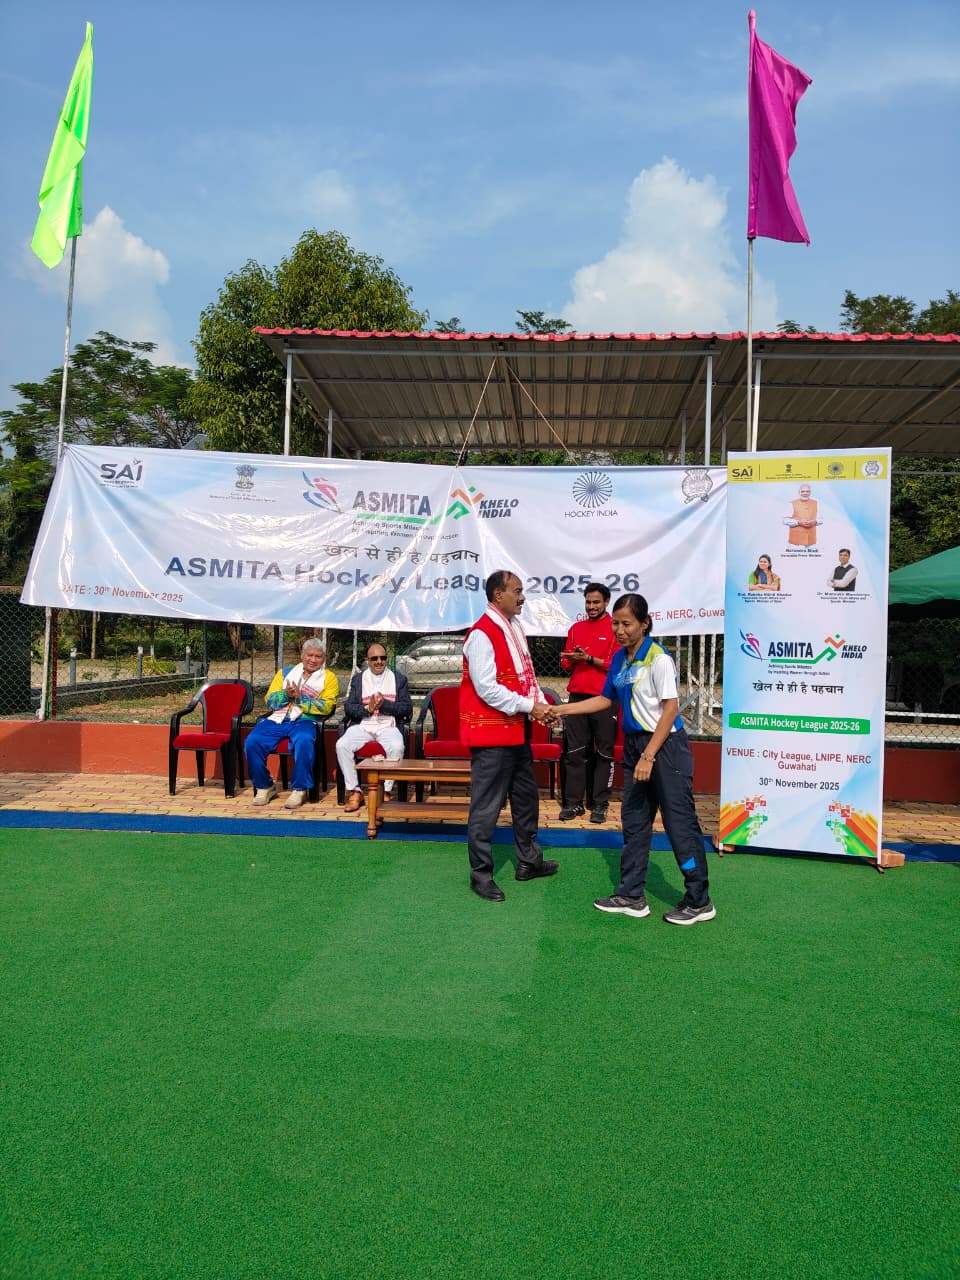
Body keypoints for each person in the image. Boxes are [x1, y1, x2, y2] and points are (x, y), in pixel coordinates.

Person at [547, 593, 715, 926]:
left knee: (679, 825)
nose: (620, 630)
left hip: (665, 748)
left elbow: (671, 709)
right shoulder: (620, 660)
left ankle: (699, 900)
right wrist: (561, 709)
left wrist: (649, 756)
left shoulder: (658, 658)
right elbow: (604, 699)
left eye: (627, 624)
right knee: (635, 822)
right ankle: (631, 895)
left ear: (644, 623)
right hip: (637, 747)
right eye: (616, 624)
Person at [460, 570, 557, 901]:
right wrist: (531, 706)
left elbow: (526, 676)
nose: (522, 596)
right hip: (491, 735)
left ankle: (529, 861)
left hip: (516, 731)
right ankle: (480, 875)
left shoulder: (513, 627)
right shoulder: (481, 634)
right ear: (498, 594)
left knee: (526, 799)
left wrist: (542, 706)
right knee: (487, 807)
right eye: (517, 590)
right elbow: (486, 688)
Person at [244, 638, 339, 809]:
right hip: (279, 718)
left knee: (304, 740)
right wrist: (285, 695)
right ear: (302, 656)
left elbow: (327, 706)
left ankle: (299, 789)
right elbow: (269, 700)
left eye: (318, 656)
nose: (313, 660)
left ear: (323, 658)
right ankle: (265, 786)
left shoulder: (329, 678)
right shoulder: (285, 673)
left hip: (305, 720)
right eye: (309, 655)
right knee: (252, 742)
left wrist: (301, 699)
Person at [558, 582, 619, 823]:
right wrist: (574, 659)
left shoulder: (615, 629)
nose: (591, 606)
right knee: (574, 752)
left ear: (606, 602)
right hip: (577, 697)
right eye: (588, 602)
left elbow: (616, 665)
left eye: (596, 602)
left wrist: (589, 659)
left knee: (604, 753)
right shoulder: (575, 629)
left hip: (605, 698)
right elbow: (565, 664)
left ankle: (599, 804)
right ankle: (573, 804)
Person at [337, 643, 413, 813]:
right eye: (374, 658)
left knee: (397, 746)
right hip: (364, 725)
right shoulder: (358, 680)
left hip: (388, 725)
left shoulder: (398, 679)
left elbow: (407, 708)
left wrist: (384, 705)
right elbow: (349, 708)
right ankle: (355, 791)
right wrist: (368, 709)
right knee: (342, 745)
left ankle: (385, 791)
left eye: (383, 658)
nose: (379, 661)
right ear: (367, 660)